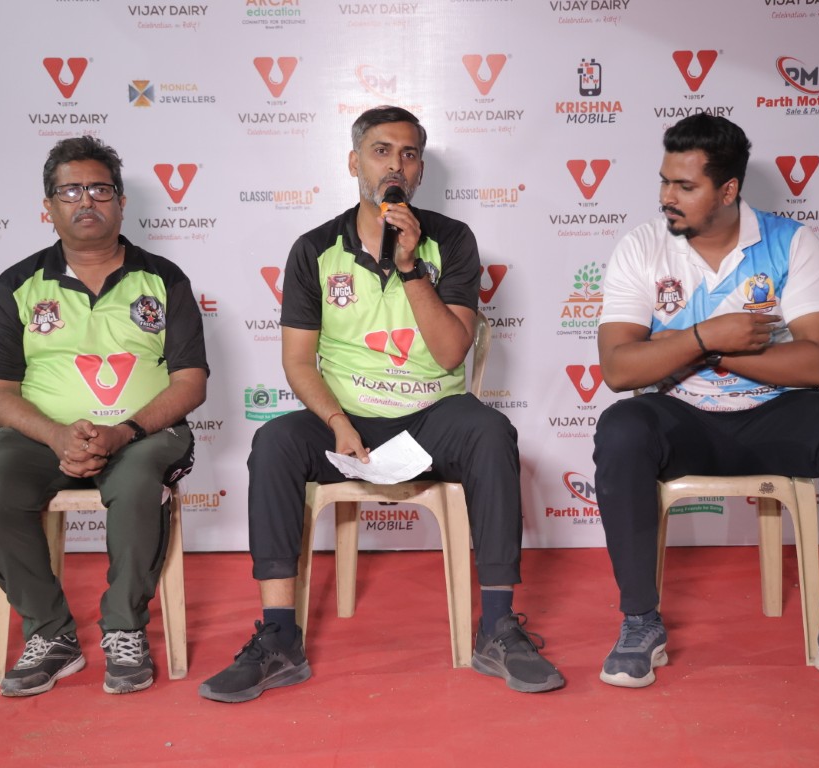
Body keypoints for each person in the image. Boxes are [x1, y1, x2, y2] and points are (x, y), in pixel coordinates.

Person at [199, 105, 564, 703]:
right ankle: (278, 638)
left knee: (490, 432)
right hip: (347, 418)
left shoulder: (452, 240)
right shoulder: (313, 249)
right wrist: (337, 422)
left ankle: (498, 628)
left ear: (419, 172)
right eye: (381, 151)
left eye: (409, 154)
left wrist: (411, 266)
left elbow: (450, 354)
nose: (396, 164)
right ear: (354, 163)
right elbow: (298, 362)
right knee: (274, 442)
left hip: (432, 415)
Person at [592, 114, 819, 699]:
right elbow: (620, 369)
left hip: (774, 416)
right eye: (664, 181)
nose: (667, 197)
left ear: (728, 190)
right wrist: (708, 334)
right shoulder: (642, 246)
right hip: (682, 417)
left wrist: (704, 351)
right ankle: (639, 622)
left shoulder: (792, 243)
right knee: (622, 427)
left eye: (685, 186)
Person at [0, 136, 209, 697]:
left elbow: (190, 382)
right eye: (70, 191)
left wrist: (122, 432)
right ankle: (51, 635)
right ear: (48, 207)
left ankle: (124, 630)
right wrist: (56, 435)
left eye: (99, 189)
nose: (86, 201)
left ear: (121, 202)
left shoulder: (164, 279)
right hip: (44, 438)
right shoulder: (17, 284)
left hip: (142, 433)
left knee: (137, 477)